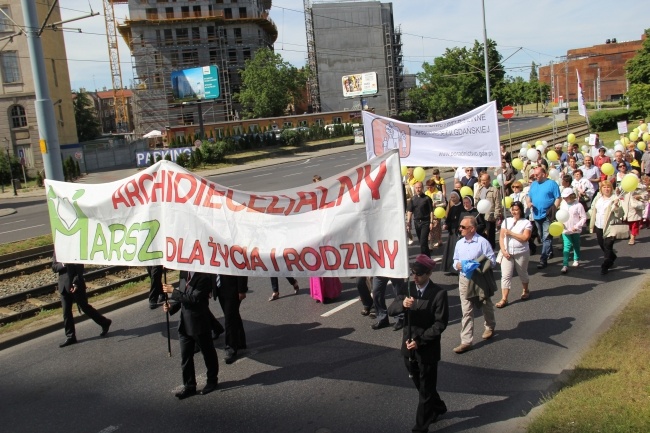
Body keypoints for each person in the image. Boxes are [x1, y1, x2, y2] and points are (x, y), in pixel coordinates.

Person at [388, 254, 449, 432]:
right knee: (421, 385)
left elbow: (440, 324)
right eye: (414, 273)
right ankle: (438, 407)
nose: (416, 277)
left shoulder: (439, 294)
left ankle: (420, 427)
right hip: (408, 348)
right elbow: (391, 310)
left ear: (429, 273)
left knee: (425, 390)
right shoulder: (408, 289)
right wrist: (402, 306)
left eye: (420, 274)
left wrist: (420, 341)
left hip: (426, 349)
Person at [162, 271, 219, 399]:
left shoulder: (204, 277)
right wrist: (171, 307)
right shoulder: (183, 274)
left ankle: (212, 380)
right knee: (185, 356)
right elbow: (182, 296)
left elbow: (193, 298)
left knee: (207, 352)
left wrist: (173, 291)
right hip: (184, 324)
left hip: (199, 323)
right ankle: (189, 385)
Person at [451, 216, 496, 354]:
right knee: (467, 310)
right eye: (460, 226)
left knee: (485, 303)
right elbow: (455, 260)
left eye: (463, 227)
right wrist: (457, 265)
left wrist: (478, 265)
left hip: (480, 279)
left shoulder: (482, 242)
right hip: (464, 280)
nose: (460, 229)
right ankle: (466, 341)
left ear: (472, 228)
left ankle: (490, 326)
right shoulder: (459, 243)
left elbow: (492, 260)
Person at [53, 254, 112, 347]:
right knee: (66, 312)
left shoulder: (74, 246)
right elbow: (54, 267)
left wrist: (75, 283)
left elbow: (79, 267)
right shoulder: (58, 249)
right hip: (63, 286)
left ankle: (104, 322)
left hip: (76, 285)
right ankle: (70, 336)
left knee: (84, 307)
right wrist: (63, 264)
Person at [496, 201, 532, 307]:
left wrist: (511, 233)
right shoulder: (507, 221)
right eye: (512, 209)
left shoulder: (526, 223)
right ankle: (504, 298)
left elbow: (525, 238)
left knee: (522, 272)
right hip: (507, 253)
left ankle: (525, 290)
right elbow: (502, 237)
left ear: (521, 210)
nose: (514, 212)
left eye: (516, 210)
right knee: (506, 276)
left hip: (521, 252)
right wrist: (503, 250)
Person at [527, 166, 561, 269]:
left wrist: (554, 209)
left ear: (543, 174)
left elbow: (558, 198)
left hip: (547, 214)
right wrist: (529, 202)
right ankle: (549, 251)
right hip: (537, 214)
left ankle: (543, 259)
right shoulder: (533, 184)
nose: (535, 176)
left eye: (537, 175)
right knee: (542, 237)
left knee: (547, 237)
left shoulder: (552, 184)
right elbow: (529, 196)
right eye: (534, 175)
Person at [589, 181, 624, 275]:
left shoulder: (615, 199)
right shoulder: (598, 198)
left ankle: (605, 265)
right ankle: (612, 257)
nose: (606, 189)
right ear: (601, 189)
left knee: (608, 246)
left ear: (611, 188)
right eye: (604, 187)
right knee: (602, 244)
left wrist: (616, 206)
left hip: (610, 227)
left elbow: (620, 214)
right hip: (598, 225)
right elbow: (593, 209)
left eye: (608, 187)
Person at [214, 274, 248, 364]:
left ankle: (231, 348)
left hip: (233, 289)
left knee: (229, 319)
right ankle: (240, 342)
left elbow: (241, 269)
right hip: (220, 288)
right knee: (233, 315)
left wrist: (242, 289)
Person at [559, 188, 587, 274]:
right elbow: (560, 214)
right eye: (564, 197)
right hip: (565, 229)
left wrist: (577, 226)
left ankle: (576, 259)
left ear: (572, 196)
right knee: (566, 246)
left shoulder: (578, 205)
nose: (565, 199)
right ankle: (565, 264)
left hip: (575, 229)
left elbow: (583, 217)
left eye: (566, 197)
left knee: (576, 244)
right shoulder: (563, 204)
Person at [473, 173, 503, 249]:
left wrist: (496, 215)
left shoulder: (494, 190)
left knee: (490, 233)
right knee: (479, 230)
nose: (483, 182)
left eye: (485, 180)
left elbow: (498, 203)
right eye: (482, 180)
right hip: (480, 213)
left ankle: (491, 248)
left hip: (490, 214)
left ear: (489, 180)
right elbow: (476, 199)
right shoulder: (480, 189)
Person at [406, 181, 434, 257]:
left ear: (422, 188)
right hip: (417, 223)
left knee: (423, 242)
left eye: (419, 187)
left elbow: (431, 211)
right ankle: (428, 258)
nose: (418, 189)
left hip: (426, 222)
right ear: (414, 189)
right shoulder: (413, 199)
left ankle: (424, 260)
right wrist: (408, 222)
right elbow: (410, 211)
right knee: (421, 242)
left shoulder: (427, 198)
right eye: (416, 188)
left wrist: (431, 222)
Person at [441, 190, 463, 275]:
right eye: (451, 197)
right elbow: (448, 219)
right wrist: (446, 225)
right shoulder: (452, 208)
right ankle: (451, 268)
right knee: (451, 250)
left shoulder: (462, 207)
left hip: (459, 231)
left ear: (458, 197)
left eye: (454, 197)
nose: (452, 199)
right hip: (452, 232)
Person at [621, 180, 645, 245]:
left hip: (635, 209)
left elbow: (646, 195)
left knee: (635, 224)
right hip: (626, 208)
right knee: (629, 224)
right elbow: (620, 195)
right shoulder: (624, 186)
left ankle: (632, 238)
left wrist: (640, 196)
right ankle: (631, 234)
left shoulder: (640, 186)